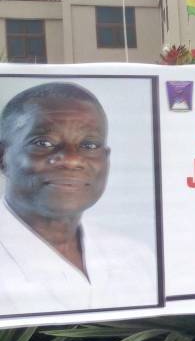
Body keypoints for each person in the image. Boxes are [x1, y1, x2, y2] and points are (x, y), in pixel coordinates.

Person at [0, 82, 157, 316]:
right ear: (3, 157)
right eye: (43, 142)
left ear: (106, 158)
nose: (72, 159)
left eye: (89, 145)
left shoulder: (135, 257)